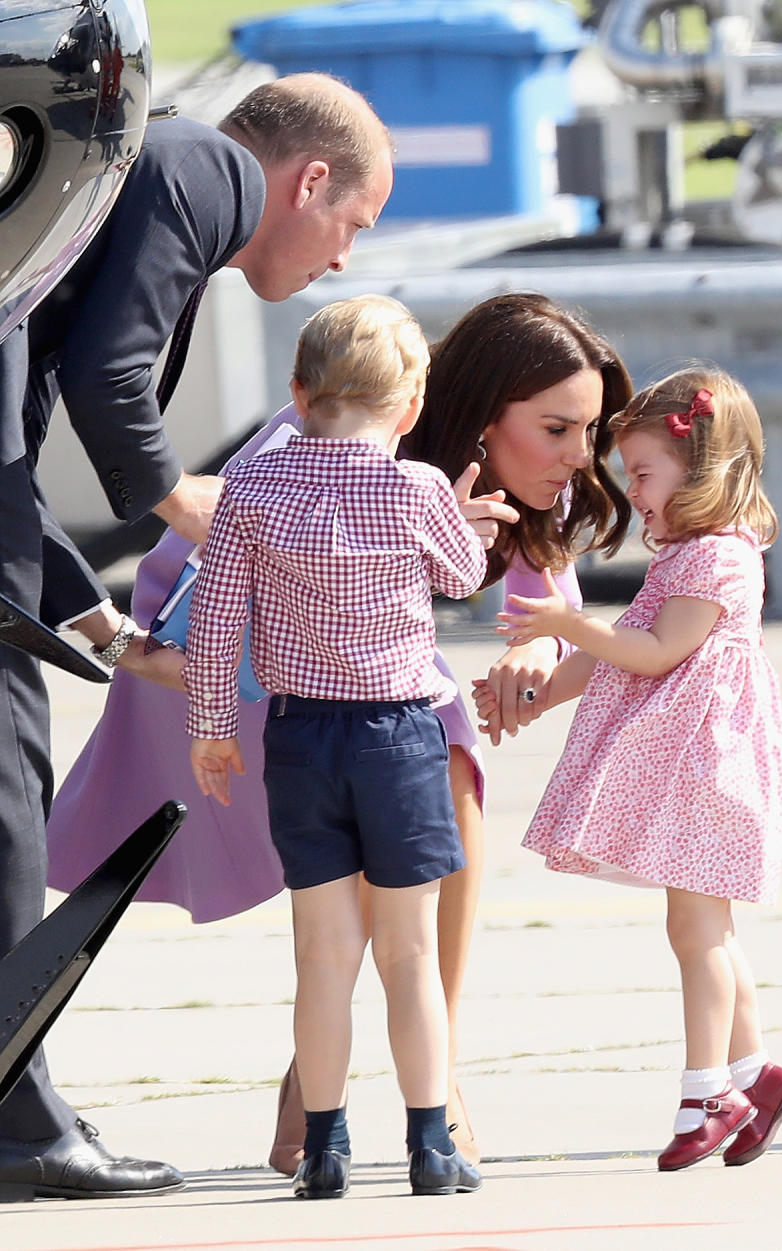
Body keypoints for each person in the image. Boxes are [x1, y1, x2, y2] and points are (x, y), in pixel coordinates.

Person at [46, 292, 634, 1174]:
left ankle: (346, 1092)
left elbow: (544, 582)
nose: (577, 456)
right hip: (221, 669)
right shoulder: (344, 431)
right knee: (439, 780)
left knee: (414, 812)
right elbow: (206, 579)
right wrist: (141, 654)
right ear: (476, 409)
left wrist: (539, 646)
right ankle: (402, 1096)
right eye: (556, 428)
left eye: (587, 431)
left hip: (313, 696)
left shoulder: (448, 462)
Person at [0, 73, 393, 1200]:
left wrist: (93, 617)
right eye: (350, 226)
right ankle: (19, 1126)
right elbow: (107, 377)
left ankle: (23, 1109)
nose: (341, 262)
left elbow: (23, 448)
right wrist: (187, 506)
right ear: (307, 179)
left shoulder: (152, 173)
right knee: (8, 803)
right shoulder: (205, 169)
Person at [184, 294, 486, 1198]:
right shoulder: (418, 487)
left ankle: (324, 1147)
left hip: (300, 735)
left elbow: (217, 618)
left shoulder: (250, 490)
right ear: (410, 406)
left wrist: (208, 727)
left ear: (297, 390)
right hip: (398, 735)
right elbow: (461, 577)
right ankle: (432, 1145)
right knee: (410, 953)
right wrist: (462, 519)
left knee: (321, 954)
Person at [477, 364, 782, 1172]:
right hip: (692, 771)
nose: (638, 494)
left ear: (702, 470)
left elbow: (653, 652)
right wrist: (539, 693)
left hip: (708, 770)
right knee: (707, 931)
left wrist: (565, 621)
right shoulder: (688, 555)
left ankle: (708, 1093)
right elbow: (624, 647)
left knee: (697, 934)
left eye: (645, 475)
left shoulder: (723, 559)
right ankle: (754, 1074)